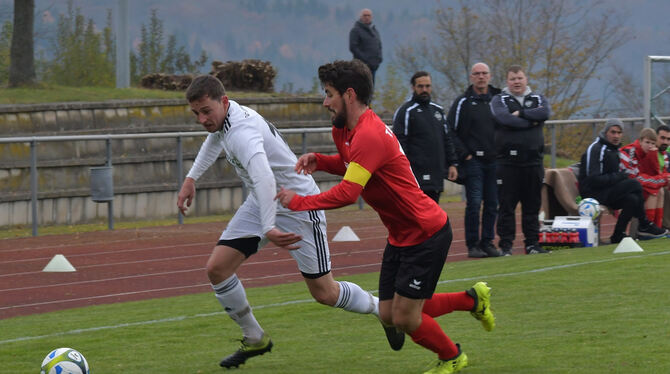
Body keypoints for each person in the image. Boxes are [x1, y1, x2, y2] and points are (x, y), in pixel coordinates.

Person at [275, 60, 495, 374]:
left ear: (349, 95)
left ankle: (452, 357)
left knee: (406, 317)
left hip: (426, 232)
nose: (325, 102)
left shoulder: (369, 134)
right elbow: (353, 163)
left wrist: (300, 203)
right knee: (391, 313)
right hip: (401, 235)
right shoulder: (346, 130)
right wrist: (321, 161)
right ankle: (472, 300)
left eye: (329, 94)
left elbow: (349, 193)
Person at [177, 75, 401, 368]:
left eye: (206, 111)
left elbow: (265, 178)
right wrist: (191, 178)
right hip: (263, 202)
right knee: (217, 269)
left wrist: (269, 226)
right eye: (196, 113)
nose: (202, 119)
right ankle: (256, 338)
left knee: (325, 293)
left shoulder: (242, 133)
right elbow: (214, 139)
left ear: (224, 102)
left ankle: (380, 310)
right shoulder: (225, 120)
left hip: (299, 207)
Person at [490, 65, 549, 255]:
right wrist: (531, 122)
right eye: (513, 79)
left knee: (532, 206)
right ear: (507, 81)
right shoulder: (499, 99)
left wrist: (522, 114)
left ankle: (532, 244)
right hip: (508, 163)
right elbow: (504, 119)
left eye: (520, 78)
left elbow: (544, 113)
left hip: (533, 162)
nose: (517, 82)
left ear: (526, 79)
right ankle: (506, 247)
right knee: (507, 206)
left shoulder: (538, 98)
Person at [578, 118, 667, 243]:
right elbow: (593, 180)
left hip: (607, 190)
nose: (616, 136)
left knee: (633, 199)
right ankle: (644, 224)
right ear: (605, 132)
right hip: (592, 193)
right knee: (635, 184)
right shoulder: (597, 149)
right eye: (613, 132)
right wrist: (620, 176)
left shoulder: (614, 149)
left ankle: (618, 234)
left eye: (619, 133)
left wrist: (619, 177)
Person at [447, 62, 501, 258]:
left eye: (484, 73)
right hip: (473, 162)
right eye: (477, 74)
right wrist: (465, 155)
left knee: (493, 203)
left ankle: (488, 242)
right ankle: (473, 244)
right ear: (471, 77)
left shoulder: (498, 99)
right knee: (475, 204)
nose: (481, 77)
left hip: (494, 161)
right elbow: (450, 130)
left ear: (490, 76)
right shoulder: (463, 102)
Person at [392, 71, 458, 204]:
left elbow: (447, 139)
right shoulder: (406, 111)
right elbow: (399, 144)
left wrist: (452, 164)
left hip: (436, 174)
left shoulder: (438, 111)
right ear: (413, 88)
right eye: (420, 86)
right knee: (417, 216)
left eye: (427, 86)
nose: (424, 90)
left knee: (434, 214)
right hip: (415, 175)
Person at [619, 128, 669, 227]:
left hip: (639, 186)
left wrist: (652, 155)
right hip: (622, 188)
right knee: (654, 191)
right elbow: (635, 179)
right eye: (647, 142)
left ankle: (657, 227)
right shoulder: (629, 152)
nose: (650, 146)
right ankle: (647, 228)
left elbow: (655, 174)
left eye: (652, 143)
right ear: (640, 141)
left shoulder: (659, 153)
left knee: (658, 191)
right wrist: (664, 179)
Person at [349, 8, 382, 84]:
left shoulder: (374, 30)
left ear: (371, 17)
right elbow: (353, 47)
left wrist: (379, 58)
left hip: (373, 66)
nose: (367, 17)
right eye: (365, 15)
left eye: (369, 15)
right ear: (361, 17)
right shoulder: (356, 30)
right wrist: (365, 59)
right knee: (360, 87)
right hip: (360, 66)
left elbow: (379, 45)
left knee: (370, 88)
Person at [656, 125, 670, 229]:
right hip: (649, 187)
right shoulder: (649, 152)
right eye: (662, 138)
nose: (665, 142)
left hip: (660, 184)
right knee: (665, 190)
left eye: (668, 139)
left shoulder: (666, 155)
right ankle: (665, 227)